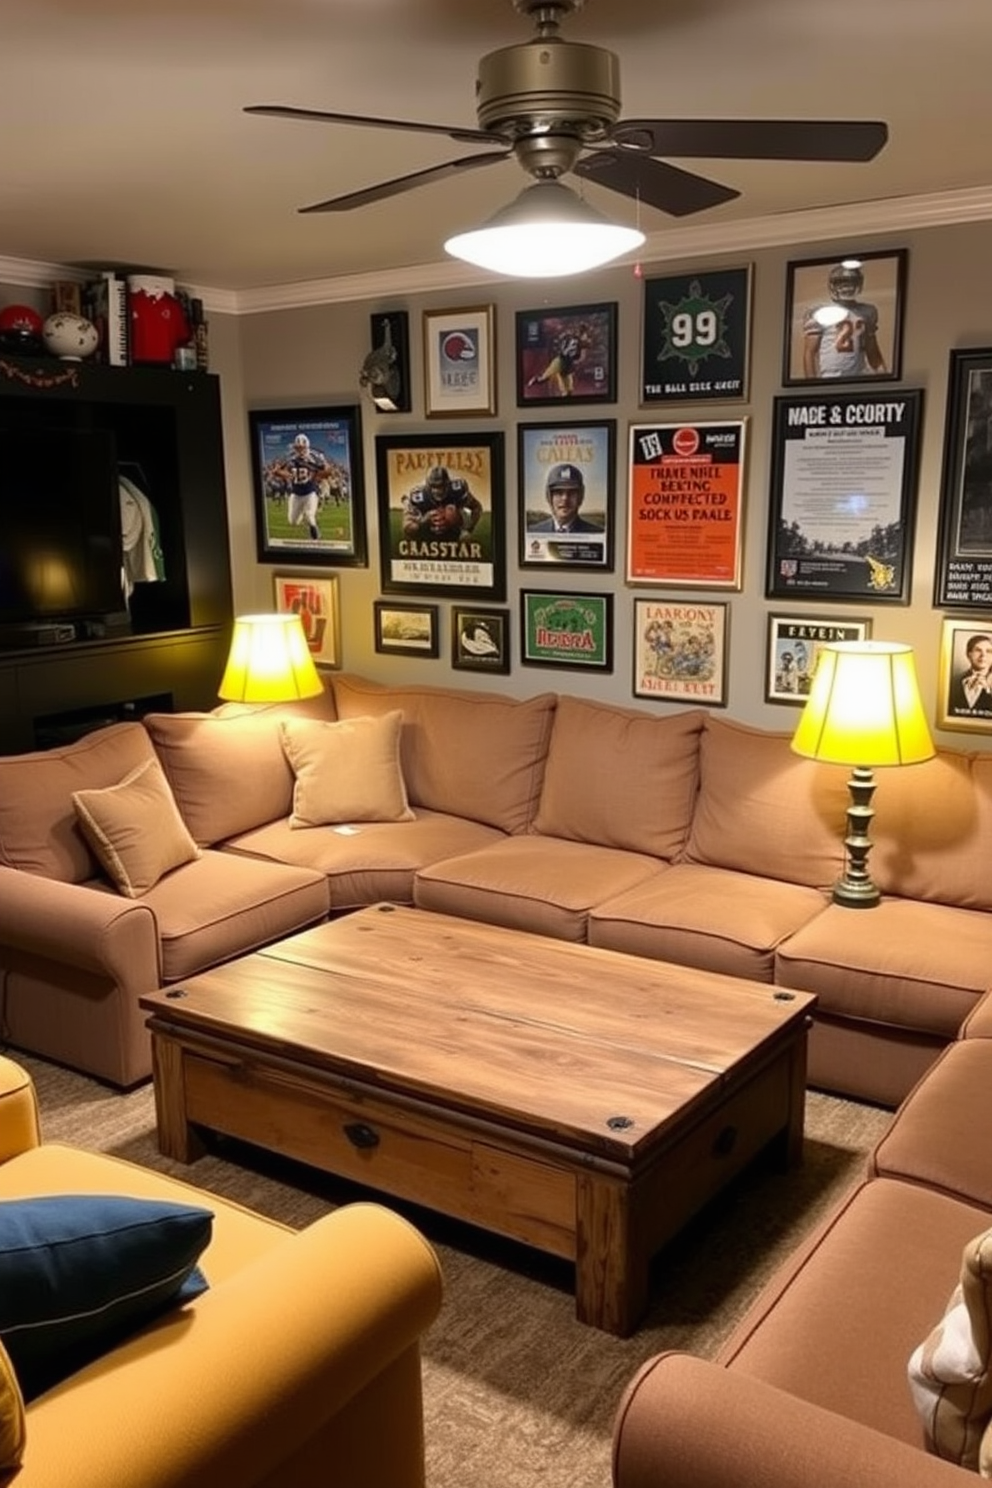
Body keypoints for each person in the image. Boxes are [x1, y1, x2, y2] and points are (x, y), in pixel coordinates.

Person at [802, 261, 886, 380]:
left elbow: (872, 351)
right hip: (830, 376)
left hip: (858, 376)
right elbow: (810, 352)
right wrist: (811, 386)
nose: (847, 287)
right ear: (832, 285)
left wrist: (884, 377)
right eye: (842, 282)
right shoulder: (821, 312)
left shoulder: (867, 312)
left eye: (851, 282)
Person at [275, 432, 333, 540]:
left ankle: (315, 532)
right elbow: (276, 471)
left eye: (302, 448)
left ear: (307, 447)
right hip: (296, 494)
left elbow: (328, 472)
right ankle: (302, 512)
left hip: (310, 492)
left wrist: (317, 474)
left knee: (310, 515)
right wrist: (287, 475)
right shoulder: (290, 457)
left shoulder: (315, 457)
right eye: (298, 448)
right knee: (293, 521)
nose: (300, 450)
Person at [402, 465, 483, 539]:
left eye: (441, 486)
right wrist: (423, 522)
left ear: (447, 483)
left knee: (451, 512)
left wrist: (468, 529)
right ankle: (405, 501)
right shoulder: (418, 496)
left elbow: (476, 507)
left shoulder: (456, 489)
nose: (438, 491)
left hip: (453, 533)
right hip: (428, 533)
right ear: (428, 485)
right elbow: (407, 529)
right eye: (434, 486)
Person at [530, 463, 602, 534]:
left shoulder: (597, 534)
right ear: (549, 497)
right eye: (559, 492)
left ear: (580, 497)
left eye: (572, 492)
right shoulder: (533, 532)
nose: (565, 498)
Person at [526, 322, 592, 397]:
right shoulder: (574, 338)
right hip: (561, 361)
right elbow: (576, 346)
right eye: (581, 332)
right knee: (544, 378)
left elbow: (580, 354)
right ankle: (534, 381)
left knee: (568, 391)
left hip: (568, 365)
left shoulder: (578, 340)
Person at [949, 633, 992, 717]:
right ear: (969, 654)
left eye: (989, 651)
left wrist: (988, 690)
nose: (983, 655)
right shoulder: (953, 681)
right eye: (978, 650)